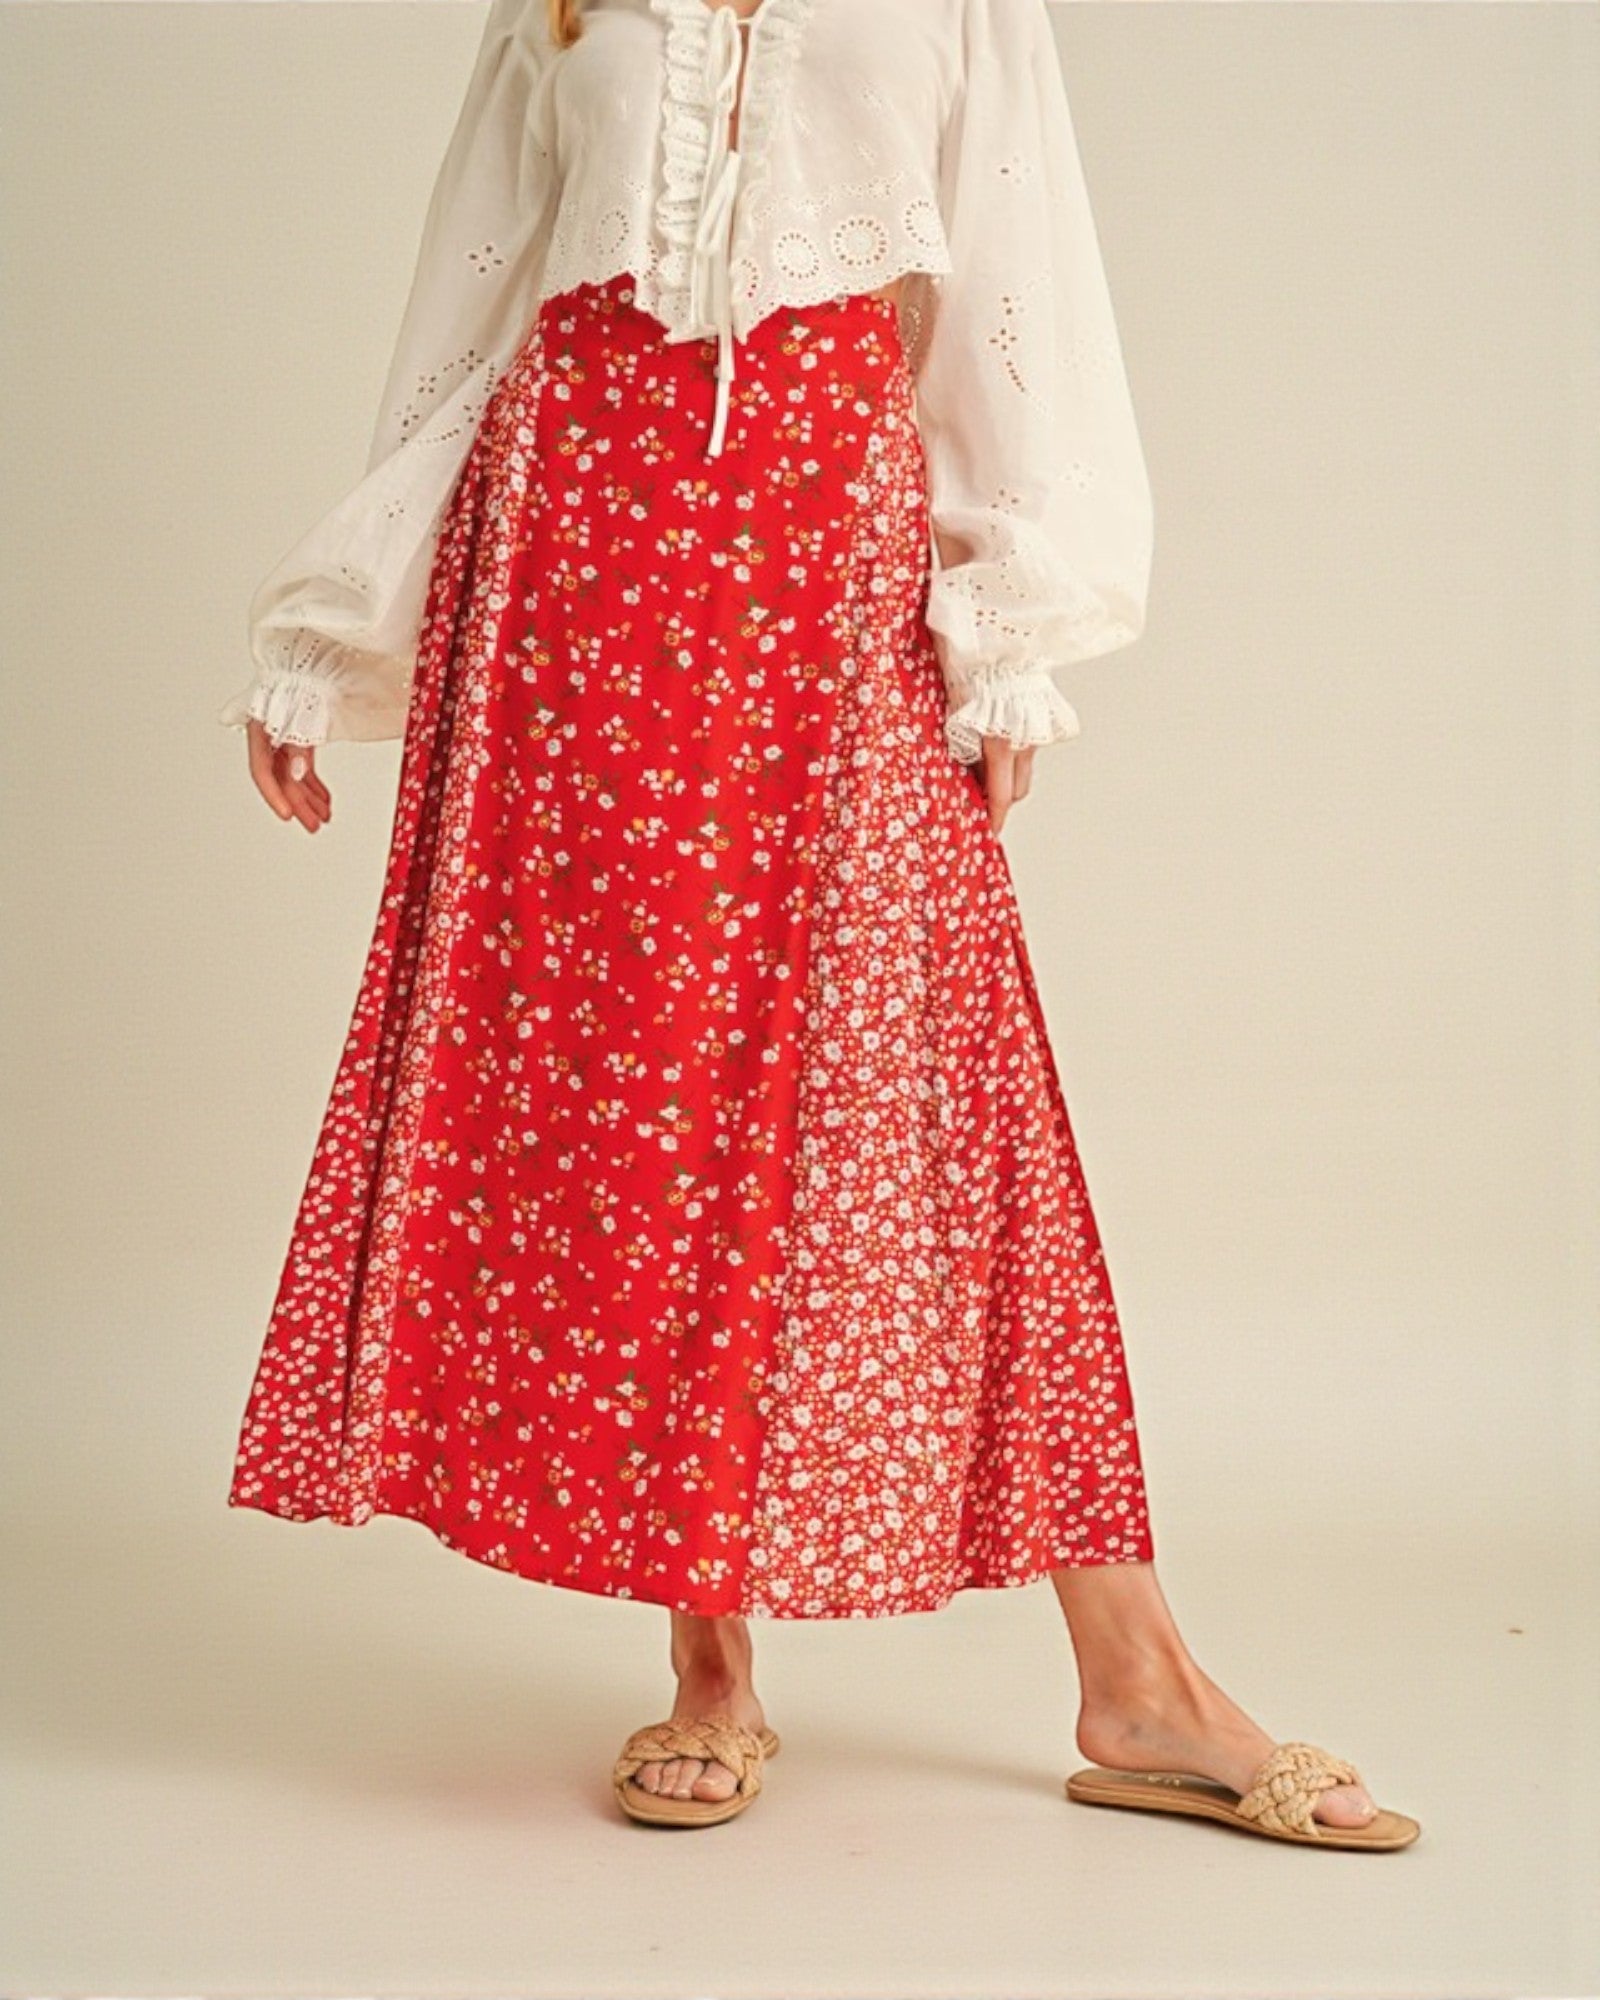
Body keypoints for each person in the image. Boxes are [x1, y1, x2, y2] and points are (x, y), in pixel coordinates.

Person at [218, 0, 1418, 1849]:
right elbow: (468, 299)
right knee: (646, 1100)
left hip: (830, 537)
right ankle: (710, 1662)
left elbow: (1022, 274)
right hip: (576, 548)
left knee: (939, 1099)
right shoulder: (562, 4)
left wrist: (1006, 621)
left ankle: (1142, 1678)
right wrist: (327, 619)